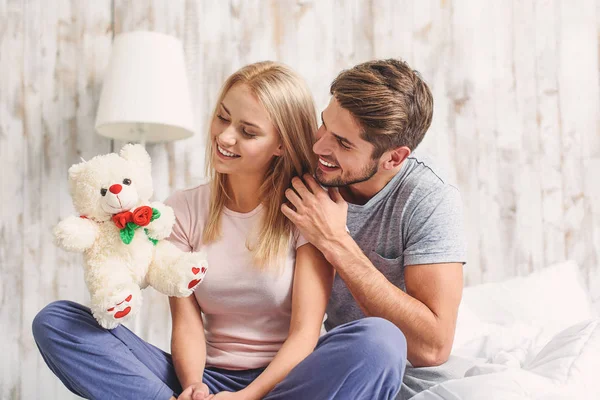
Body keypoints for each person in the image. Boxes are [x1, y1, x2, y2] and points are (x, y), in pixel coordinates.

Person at [32, 61, 406, 400]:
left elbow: (304, 335)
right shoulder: (182, 208)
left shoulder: (307, 210)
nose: (225, 137)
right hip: (205, 378)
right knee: (57, 322)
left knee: (381, 342)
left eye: (247, 131)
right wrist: (195, 386)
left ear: (280, 145)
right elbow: (187, 323)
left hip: (284, 384)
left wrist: (248, 397)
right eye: (223, 118)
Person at [280, 59, 467, 399]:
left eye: (344, 143)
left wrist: (335, 242)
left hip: (402, 375)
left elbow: (432, 347)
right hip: (335, 366)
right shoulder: (308, 177)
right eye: (324, 124)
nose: (319, 146)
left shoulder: (429, 198)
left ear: (393, 159)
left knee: (378, 341)